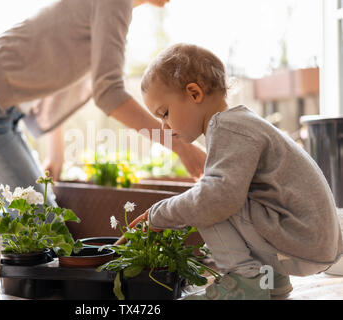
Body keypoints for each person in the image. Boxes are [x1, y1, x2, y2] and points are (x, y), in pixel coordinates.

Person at [0, 0, 207, 237]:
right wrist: (178, 144)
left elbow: (50, 79)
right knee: (38, 226)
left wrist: (56, 155)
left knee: (43, 221)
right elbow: (109, 93)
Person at [125, 43, 343, 300]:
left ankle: (245, 284)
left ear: (194, 93)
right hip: (310, 243)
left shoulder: (229, 127)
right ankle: (271, 281)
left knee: (210, 198)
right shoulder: (240, 124)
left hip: (301, 245)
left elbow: (216, 200)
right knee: (214, 192)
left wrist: (159, 214)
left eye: (165, 113)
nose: (164, 125)